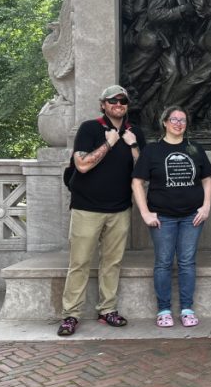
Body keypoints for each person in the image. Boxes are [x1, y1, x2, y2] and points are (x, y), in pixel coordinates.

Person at [57, 85, 146, 337]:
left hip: (119, 209)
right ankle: (70, 315)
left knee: (112, 263)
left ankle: (107, 310)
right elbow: (82, 165)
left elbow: (144, 172)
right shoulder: (90, 128)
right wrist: (108, 144)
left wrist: (133, 146)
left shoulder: (134, 132)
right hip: (87, 208)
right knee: (80, 263)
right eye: (113, 100)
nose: (118, 104)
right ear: (103, 104)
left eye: (123, 101)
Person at [132, 106, 211, 328]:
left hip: (191, 217)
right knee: (164, 262)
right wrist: (145, 212)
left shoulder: (195, 148)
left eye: (183, 120)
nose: (178, 123)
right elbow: (137, 182)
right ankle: (164, 309)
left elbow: (207, 179)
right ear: (165, 122)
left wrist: (206, 207)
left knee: (187, 262)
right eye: (174, 119)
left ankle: (187, 308)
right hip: (163, 218)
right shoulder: (152, 151)